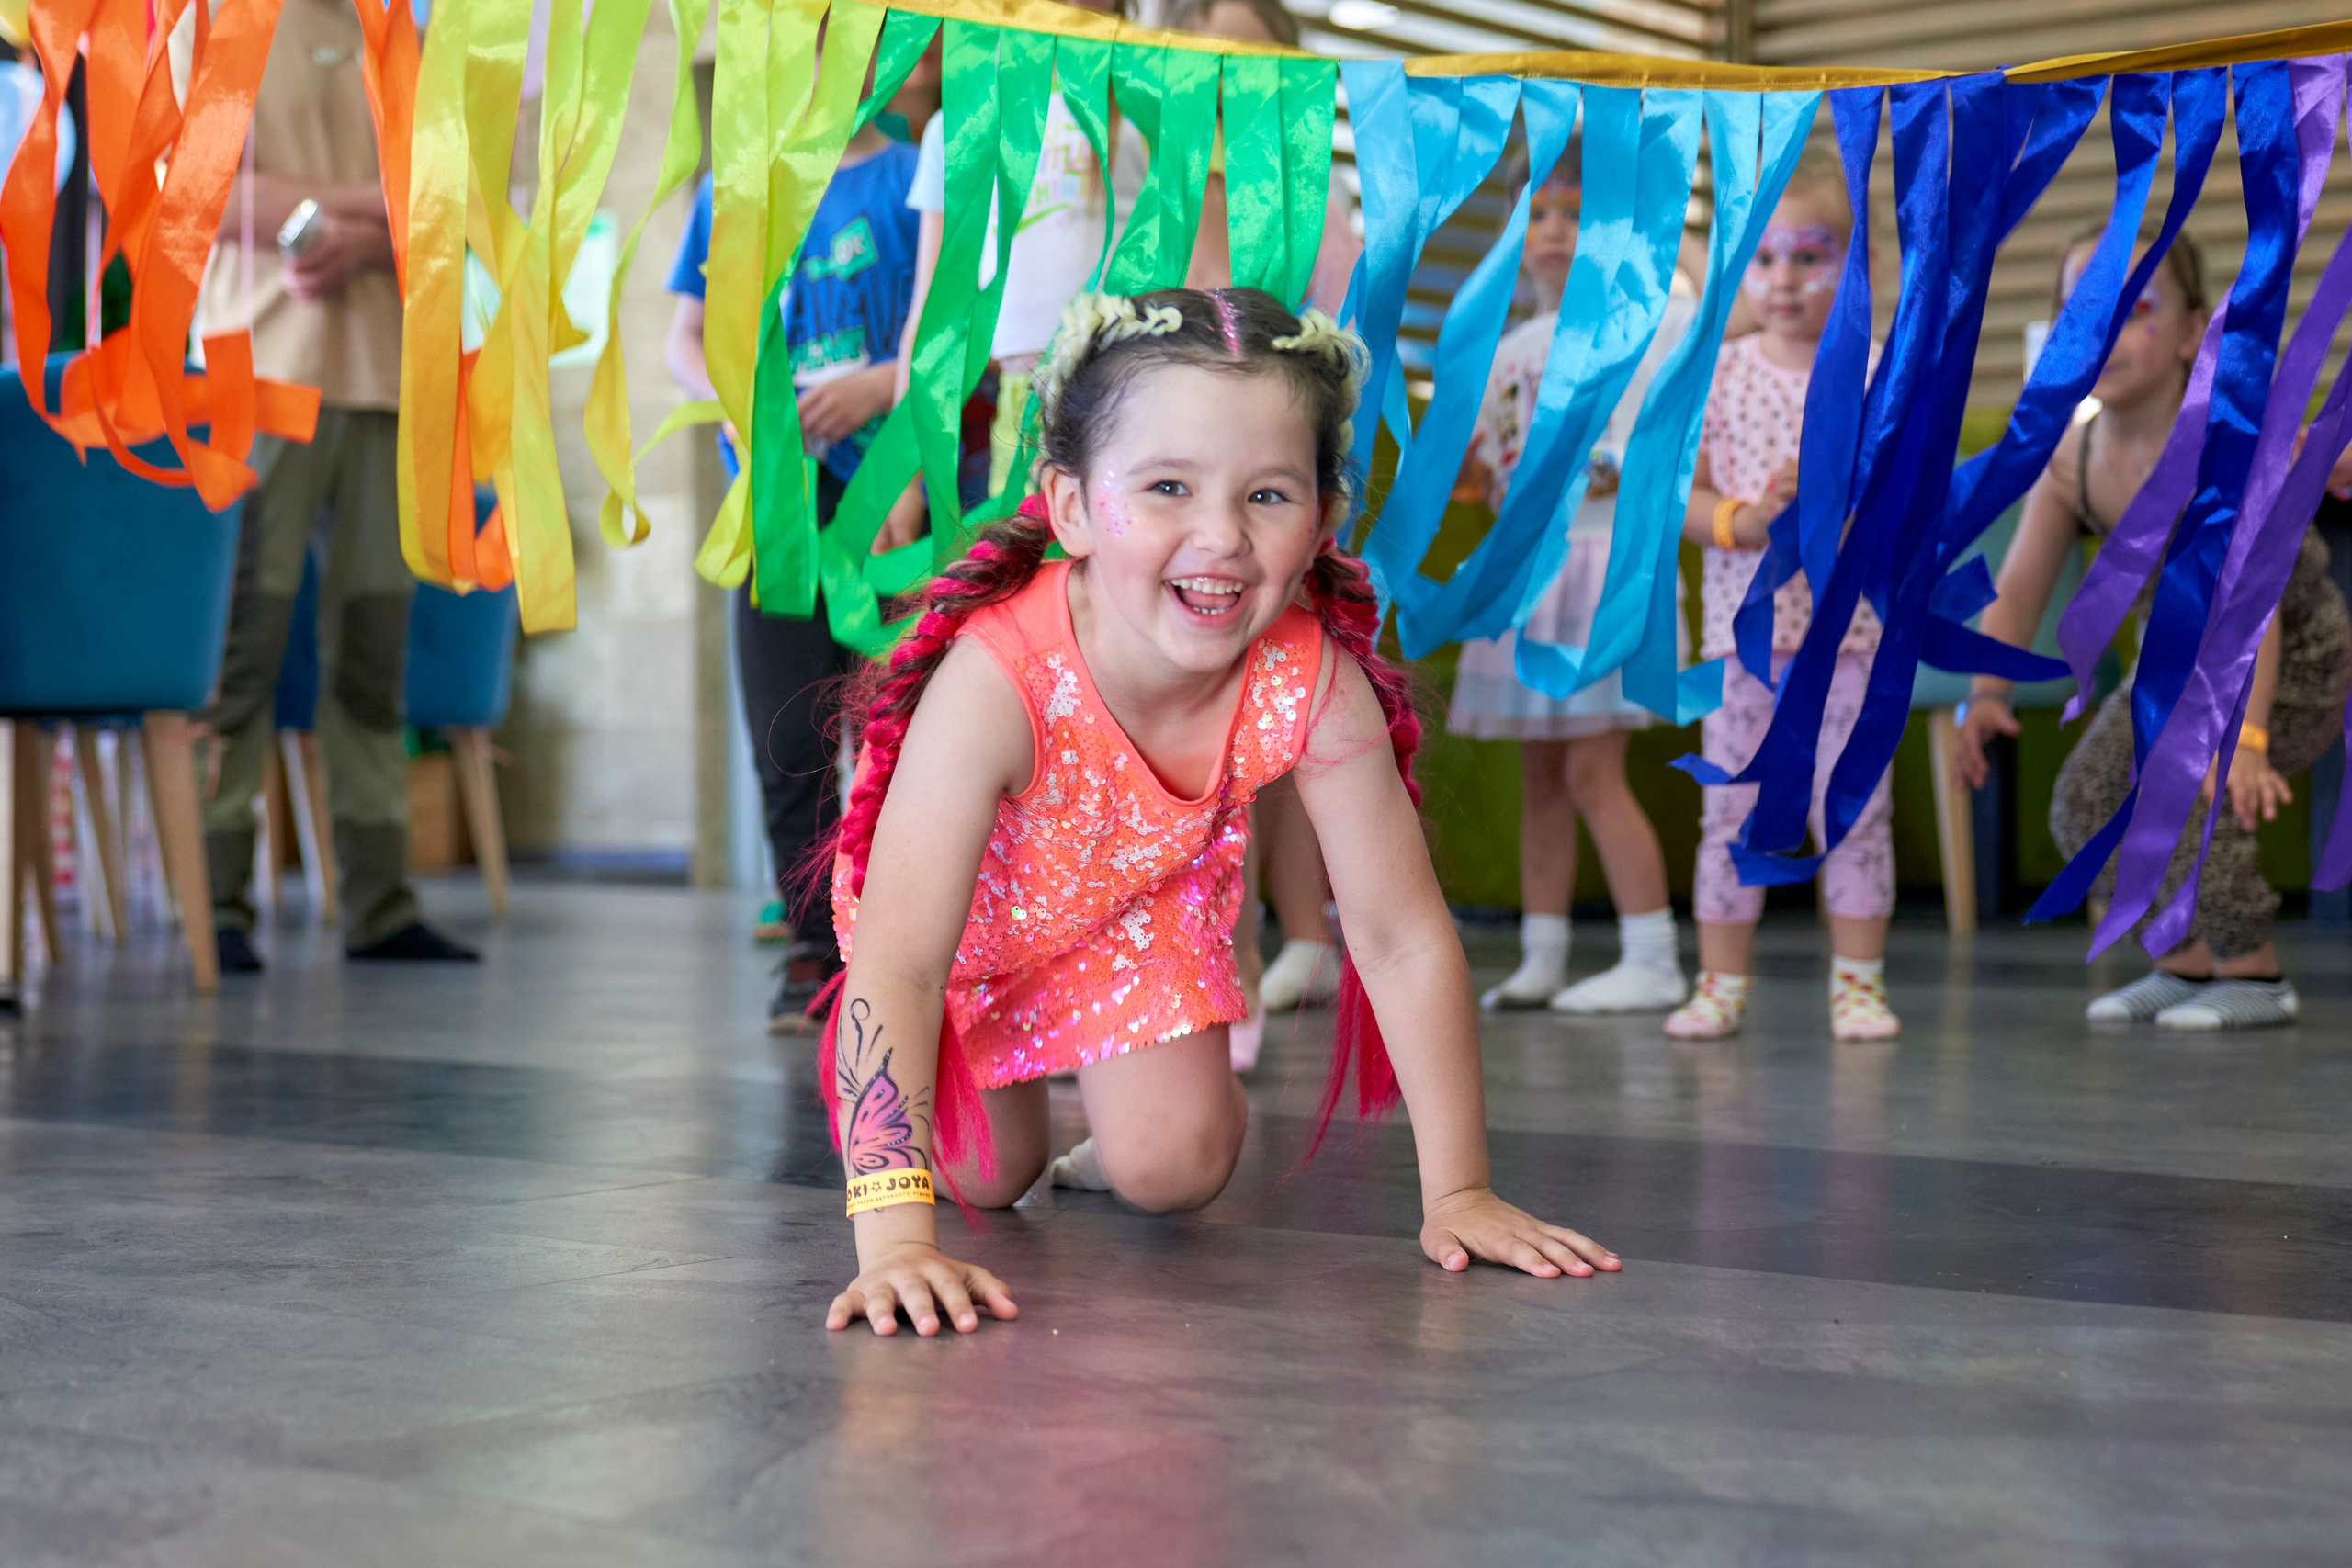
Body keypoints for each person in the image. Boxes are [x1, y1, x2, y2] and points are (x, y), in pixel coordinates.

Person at [817, 288, 1621, 1336]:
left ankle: (1110, 1140)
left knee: (1178, 1169)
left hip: (1133, 916)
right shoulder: (996, 681)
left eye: (1268, 496)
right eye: (1165, 487)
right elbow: (899, 966)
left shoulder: (1310, 679)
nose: (1221, 537)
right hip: (959, 942)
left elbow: (1400, 936)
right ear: (1068, 507)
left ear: (1324, 518)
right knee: (982, 1169)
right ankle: (989, 1119)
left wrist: (1458, 1191)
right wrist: (895, 1246)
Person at [1952, 229, 2352, 1031]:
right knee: (2085, 800)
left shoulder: (2221, 444)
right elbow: (2022, 585)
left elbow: (2255, 607)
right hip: (2172, 667)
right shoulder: (2077, 456)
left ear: (2193, 331)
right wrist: (1986, 691)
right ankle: (2182, 962)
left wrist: (2248, 737)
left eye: (2133, 309)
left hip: (2291, 658)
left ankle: (2254, 972)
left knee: (2189, 781)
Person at [182, 0, 474, 970]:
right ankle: (212, 902)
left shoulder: (399, 34)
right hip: (257, 383)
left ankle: (380, 903)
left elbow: (452, 200)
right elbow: (199, 190)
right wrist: (359, 213)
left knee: (373, 657)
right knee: (238, 654)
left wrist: (345, 229)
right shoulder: (216, 25)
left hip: (389, 383)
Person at [663, 79, 922, 1027]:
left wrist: (879, 387)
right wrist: (743, 400)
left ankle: (906, 951)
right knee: (788, 728)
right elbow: (682, 336)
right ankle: (815, 954)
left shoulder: (910, 175)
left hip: (900, 488)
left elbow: (953, 331)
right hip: (778, 499)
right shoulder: (734, 189)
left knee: (904, 727)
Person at [1448, 159, 1690, 1015]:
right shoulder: (1510, 349)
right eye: (1537, 213)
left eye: (1573, 214)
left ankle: (1653, 949)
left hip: (1603, 569)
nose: (1552, 231)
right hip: (1533, 581)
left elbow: (1675, 407)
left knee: (1594, 770)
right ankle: (1541, 951)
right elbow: (1493, 454)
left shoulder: (1639, 323)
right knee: (1541, 778)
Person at [1668, 154, 1899, 1043]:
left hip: (1848, 638)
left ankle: (1858, 983)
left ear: (1851, 264)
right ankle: (1720, 983)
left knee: (1852, 806)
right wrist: (1742, 518)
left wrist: (1836, 510)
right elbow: (1678, 500)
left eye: (1810, 256)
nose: (1784, 280)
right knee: (1729, 805)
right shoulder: (1719, 379)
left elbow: (1900, 499)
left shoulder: (1873, 372)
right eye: (1763, 260)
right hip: (1745, 646)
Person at [1170, 0, 1367, 1025]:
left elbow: (1335, 326)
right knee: (1206, 721)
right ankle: (1230, 951)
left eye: (1246, 49)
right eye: (1206, 47)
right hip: (1191, 488)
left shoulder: (1306, 181)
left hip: (1280, 473)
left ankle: (1300, 933)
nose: (1224, 66)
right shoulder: (1163, 168)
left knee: (1284, 715)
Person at [872, 0, 1150, 552]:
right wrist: (899, 473)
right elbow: (934, 316)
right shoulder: (962, 125)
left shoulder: (1146, 108)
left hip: (1133, 397)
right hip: (1021, 408)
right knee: (1027, 579)